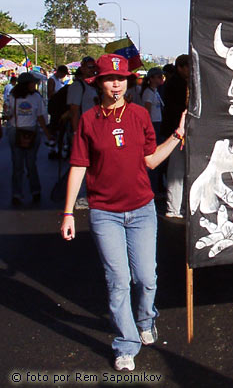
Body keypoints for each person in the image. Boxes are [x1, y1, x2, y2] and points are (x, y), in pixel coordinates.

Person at [60, 53, 186, 372]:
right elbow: (78, 165)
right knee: (118, 280)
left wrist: (178, 135)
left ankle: (145, 319)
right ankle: (125, 343)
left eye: (121, 78)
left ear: (128, 82)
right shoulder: (89, 120)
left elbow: (152, 161)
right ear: (98, 83)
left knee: (146, 278)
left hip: (142, 210)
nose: (116, 83)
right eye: (109, 78)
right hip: (105, 213)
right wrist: (68, 212)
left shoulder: (140, 115)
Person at [3, 72, 53, 205]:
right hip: (19, 131)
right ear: (26, 84)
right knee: (20, 164)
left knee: (27, 164)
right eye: (33, 83)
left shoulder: (34, 97)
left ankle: (31, 191)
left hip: (26, 131)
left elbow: (40, 117)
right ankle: (21, 193)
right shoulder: (15, 96)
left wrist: (47, 133)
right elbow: (40, 117)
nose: (35, 85)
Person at [161, 54, 189, 218]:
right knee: (176, 172)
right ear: (180, 67)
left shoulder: (183, 83)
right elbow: (175, 109)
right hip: (175, 133)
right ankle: (174, 208)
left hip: (182, 133)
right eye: (187, 67)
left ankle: (180, 206)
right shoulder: (175, 84)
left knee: (181, 171)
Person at [141, 67, 166, 192]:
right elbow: (147, 110)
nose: (161, 79)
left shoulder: (155, 91)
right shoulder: (148, 93)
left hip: (158, 122)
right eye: (158, 77)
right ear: (151, 79)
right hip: (152, 123)